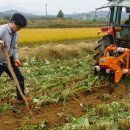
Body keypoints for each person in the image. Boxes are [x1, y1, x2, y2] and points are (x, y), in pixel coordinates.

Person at [0, 13, 30, 103]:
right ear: (12, 22)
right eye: (18, 27)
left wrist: (16, 59)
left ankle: (20, 99)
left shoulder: (16, 33)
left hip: (9, 60)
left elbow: (14, 47)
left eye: (21, 28)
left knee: (20, 78)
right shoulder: (2, 29)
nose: (19, 30)